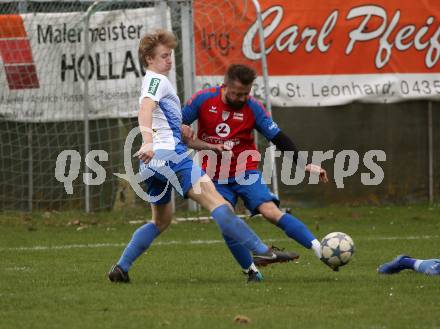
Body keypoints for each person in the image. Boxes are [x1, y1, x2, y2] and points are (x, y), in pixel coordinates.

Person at [108, 30, 297, 284]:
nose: (169, 60)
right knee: (219, 204)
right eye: (164, 56)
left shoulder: (156, 82)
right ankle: (262, 251)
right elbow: (145, 109)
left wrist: (206, 145)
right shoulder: (156, 80)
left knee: (160, 221)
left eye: (170, 55)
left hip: (154, 164)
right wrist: (149, 141)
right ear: (149, 59)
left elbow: (172, 128)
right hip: (171, 157)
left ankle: (121, 267)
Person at [181, 63, 337, 272]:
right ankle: (252, 271)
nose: (241, 98)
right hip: (214, 176)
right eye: (237, 94)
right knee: (226, 219)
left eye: (246, 93)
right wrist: (181, 126)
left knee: (271, 211)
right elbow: (176, 122)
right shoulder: (203, 100)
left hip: (246, 172)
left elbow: (278, 137)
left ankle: (322, 251)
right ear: (224, 86)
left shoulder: (253, 107)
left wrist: (304, 165)